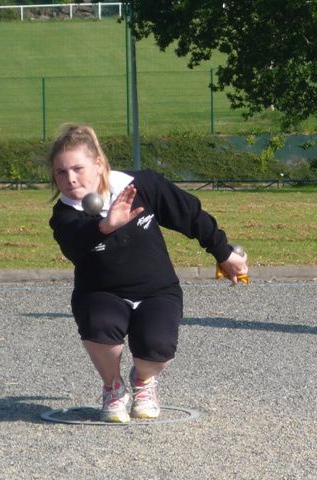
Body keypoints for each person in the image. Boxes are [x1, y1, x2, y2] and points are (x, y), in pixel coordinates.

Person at [48, 124, 248, 422]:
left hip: (157, 290)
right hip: (100, 292)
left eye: (78, 168)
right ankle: (113, 387)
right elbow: (74, 243)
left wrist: (223, 253)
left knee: (157, 347)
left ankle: (143, 382)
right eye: (61, 172)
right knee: (100, 325)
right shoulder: (65, 214)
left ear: (99, 164)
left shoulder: (140, 185)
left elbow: (189, 215)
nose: (70, 178)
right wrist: (105, 226)